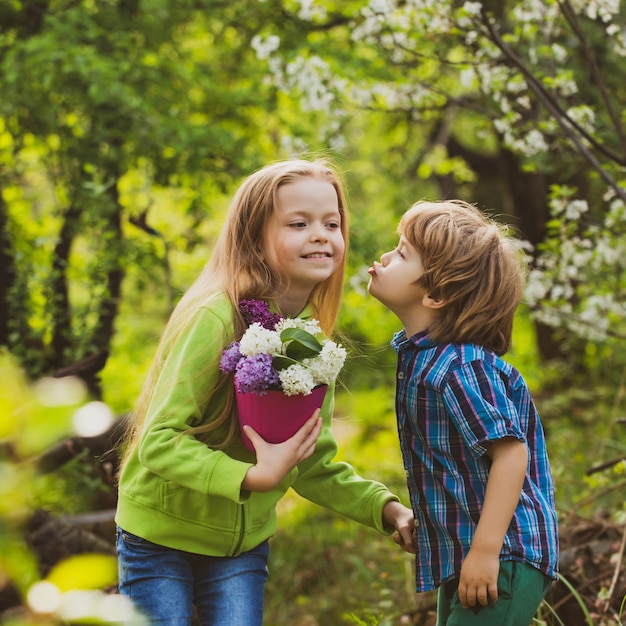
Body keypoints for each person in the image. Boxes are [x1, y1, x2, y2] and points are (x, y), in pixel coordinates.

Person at [115, 158, 415, 626]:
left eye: (331, 223)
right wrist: (251, 477)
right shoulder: (214, 318)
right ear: (254, 238)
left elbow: (308, 460)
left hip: (242, 545)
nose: (320, 234)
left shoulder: (314, 346)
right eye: (299, 223)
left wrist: (386, 508)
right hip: (159, 537)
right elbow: (157, 440)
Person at [367, 200, 559, 626]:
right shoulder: (426, 360)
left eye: (401, 254)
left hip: (501, 552)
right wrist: (435, 519)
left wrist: (487, 550)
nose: (384, 258)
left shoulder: (459, 367)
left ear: (436, 295)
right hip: (467, 547)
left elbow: (511, 455)